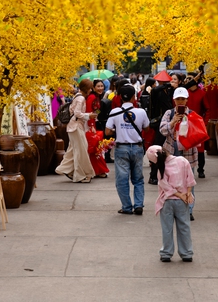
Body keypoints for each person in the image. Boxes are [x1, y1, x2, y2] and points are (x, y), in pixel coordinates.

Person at [146, 145, 196, 263]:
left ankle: (166, 253)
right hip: (182, 202)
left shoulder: (161, 169)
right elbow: (190, 179)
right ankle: (186, 253)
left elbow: (165, 186)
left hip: (166, 202)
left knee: (167, 228)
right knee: (184, 227)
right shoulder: (183, 161)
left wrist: (178, 194)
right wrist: (187, 194)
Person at [106, 85, 149, 215]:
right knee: (138, 179)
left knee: (122, 180)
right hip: (137, 148)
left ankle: (126, 207)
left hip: (121, 149)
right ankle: (138, 205)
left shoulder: (115, 112)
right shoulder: (141, 112)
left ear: (119, 97)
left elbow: (107, 131)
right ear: (133, 97)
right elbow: (146, 128)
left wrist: (118, 129)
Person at [160, 87, 199, 220]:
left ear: (187, 100)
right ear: (174, 100)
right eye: (178, 99)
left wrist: (188, 122)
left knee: (189, 182)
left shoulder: (192, 114)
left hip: (188, 153)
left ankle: (188, 210)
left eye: (183, 99)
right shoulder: (169, 113)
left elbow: (198, 133)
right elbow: (162, 130)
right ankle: (172, 208)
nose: (180, 101)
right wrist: (173, 122)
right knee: (171, 181)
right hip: (172, 151)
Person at [55, 79, 97, 183]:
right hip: (76, 126)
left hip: (73, 126)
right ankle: (80, 175)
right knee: (80, 151)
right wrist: (89, 115)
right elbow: (78, 113)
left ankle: (67, 169)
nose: (91, 90)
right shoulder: (81, 98)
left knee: (73, 150)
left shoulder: (77, 96)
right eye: (90, 88)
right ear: (86, 89)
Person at [185, 72, 207, 178]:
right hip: (185, 123)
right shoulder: (184, 94)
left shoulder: (202, 93)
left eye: (190, 78)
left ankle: (201, 169)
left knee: (200, 148)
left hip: (198, 123)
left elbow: (207, 108)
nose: (188, 80)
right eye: (187, 78)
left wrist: (204, 122)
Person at [86, 79, 108, 178]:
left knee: (96, 149)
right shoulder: (92, 97)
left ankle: (97, 170)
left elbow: (95, 112)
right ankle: (98, 170)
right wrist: (91, 126)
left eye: (101, 86)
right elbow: (89, 112)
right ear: (93, 88)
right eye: (98, 86)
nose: (100, 88)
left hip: (94, 124)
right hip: (91, 126)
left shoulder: (97, 97)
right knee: (95, 149)